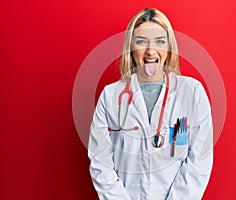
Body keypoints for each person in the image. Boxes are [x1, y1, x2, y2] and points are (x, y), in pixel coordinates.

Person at [88, 8, 213, 200]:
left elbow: (199, 162)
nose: (151, 50)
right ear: (130, 48)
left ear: (169, 46)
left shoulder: (192, 93)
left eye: (159, 41)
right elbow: (100, 163)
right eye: (141, 42)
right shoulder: (110, 96)